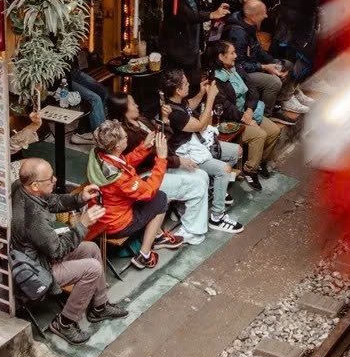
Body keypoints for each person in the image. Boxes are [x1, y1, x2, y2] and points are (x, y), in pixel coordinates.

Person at [9, 159, 129, 344]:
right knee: (93, 268)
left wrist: (80, 198)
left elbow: (51, 202)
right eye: (50, 179)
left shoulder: (22, 188)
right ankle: (65, 322)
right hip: (38, 270)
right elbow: (57, 251)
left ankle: (100, 305)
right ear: (34, 185)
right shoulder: (33, 218)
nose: (55, 180)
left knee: (92, 249)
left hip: (42, 255)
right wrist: (83, 224)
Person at [102, 92, 212, 246]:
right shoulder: (125, 135)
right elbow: (156, 155)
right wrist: (175, 160)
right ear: (124, 110)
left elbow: (160, 141)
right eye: (133, 104)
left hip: (161, 165)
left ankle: (185, 215)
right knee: (197, 184)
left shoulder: (140, 120)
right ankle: (193, 232)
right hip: (146, 176)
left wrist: (164, 122)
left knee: (201, 175)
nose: (137, 106)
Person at [84, 114, 180, 270]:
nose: (126, 137)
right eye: (123, 137)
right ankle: (145, 255)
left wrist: (144, 147)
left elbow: (124, 163)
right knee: (160, 198)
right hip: (117, 224)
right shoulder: (120, 178)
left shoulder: (100, 156)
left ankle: (158, 234)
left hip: (102, 215)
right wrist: (161, 159)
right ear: (117, 146)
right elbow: (148, 192)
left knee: (151, 188)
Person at [161, 68, 245, 234]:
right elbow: (200, 125)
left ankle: (215, 186)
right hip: (187, 152)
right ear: (178, 90)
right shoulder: (174, 114)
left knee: (237, 151)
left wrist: (200, 93)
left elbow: (190, 106)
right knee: (224, 170)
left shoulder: (177, 102)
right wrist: (211, 97)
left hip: (197, 143)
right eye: (185, 83)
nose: (188, 85)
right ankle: (217, 217)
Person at [205, 41, 285, 191]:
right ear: (221, 57)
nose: (236, 56)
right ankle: (250, 169)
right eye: (232, 53)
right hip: (232, 119)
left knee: (274, 130)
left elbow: (252, 89)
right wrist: (244, 118)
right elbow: (225, 107)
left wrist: (249, 110)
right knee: (259, 135)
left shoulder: (237, 68)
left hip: (248, 112)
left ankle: (261, 162)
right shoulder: (215, 79)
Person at [221, 0, 312, 118]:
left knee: (287, 65)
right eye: (262, 13)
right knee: (273, 82)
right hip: (236, 73)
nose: (266, 15)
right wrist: (263, 67)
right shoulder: (237, 33)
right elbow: (238, 64)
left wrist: (275, 62)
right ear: (252, 16)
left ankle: (284, 100)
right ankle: (266, 115)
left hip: (250, 65)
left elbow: (258, 51)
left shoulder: (249, 26)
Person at [157, 0, 229, 86]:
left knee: (195, 81)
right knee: (181, 85)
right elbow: (187, 15)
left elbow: (199, 9)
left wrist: (215, 9)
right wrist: (211, 15)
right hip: (178, 47)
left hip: (194, 43)